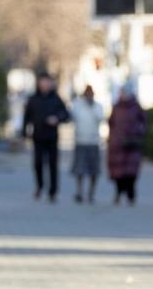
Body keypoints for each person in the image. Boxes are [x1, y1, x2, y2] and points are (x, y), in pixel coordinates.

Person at [22, 73, 70, 203]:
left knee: (53, 165)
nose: (45, 85)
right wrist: (24, 133)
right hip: (37, 136)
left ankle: (53, 191)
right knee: (38, 164)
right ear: (38, 84)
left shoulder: (56, 99)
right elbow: (26, 117)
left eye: (47, 82)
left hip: (52, 137)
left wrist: (57, 118)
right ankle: (40, 186)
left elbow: (66, 114)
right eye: (42, 82)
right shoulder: (33, 99)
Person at [108, 85, 147, 205]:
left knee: (131, 172)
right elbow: (111, 123)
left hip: (132, 143)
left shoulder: (136, 107)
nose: (123, 95)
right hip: (117, 144)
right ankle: (119, 193)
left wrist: (138, 131)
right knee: (118, 172)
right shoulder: (116, 107)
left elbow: (144, 122)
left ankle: (131, 195)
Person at [70, 85, 103, 203]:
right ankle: (79, 191)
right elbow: (72, 117)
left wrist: (92, 106)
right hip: (80, 140)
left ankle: (91, 192)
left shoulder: (97, 106)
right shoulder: (77, 106)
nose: (89, 96)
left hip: (93, 141)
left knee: (94, 170)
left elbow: (100, 118)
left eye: (91, 94)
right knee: (79, 169)